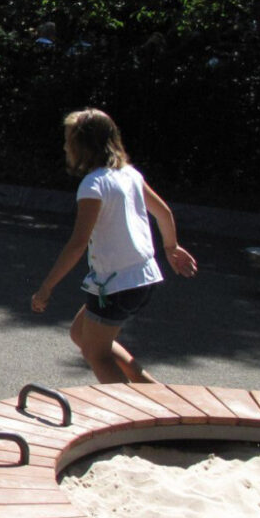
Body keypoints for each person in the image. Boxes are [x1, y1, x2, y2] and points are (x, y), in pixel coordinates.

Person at [31, 108, 197, 383]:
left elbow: (78, 243)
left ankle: (132, 416)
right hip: (142, 278)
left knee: (97, 355)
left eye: (68, 139)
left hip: (117, 285)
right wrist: (171, 247)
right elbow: (164, 213)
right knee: (80, 334)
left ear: (82, 146)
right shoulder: (129, 174)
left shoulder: (93, 185)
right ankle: (154, 393)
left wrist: (46, 287)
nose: (64, 145)